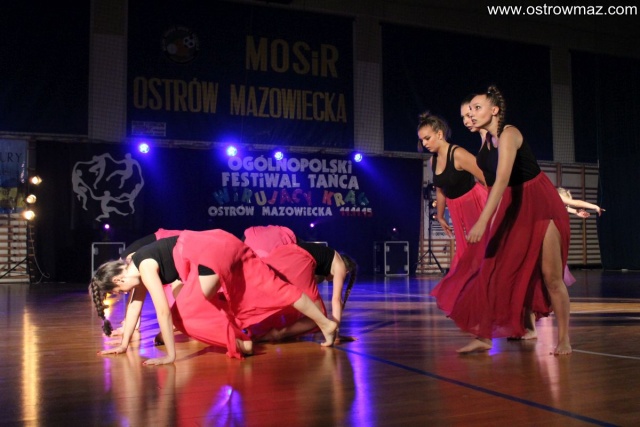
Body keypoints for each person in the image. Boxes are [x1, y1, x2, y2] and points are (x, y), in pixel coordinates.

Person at [435, 85, 572, 355]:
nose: (471, 115)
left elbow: (502, 179)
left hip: (540, 204)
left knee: (551, 277)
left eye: (476, 108)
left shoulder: (510, 134)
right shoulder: (485, 143)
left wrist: (482, 221)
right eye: (468, 111)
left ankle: (564, 339)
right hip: (515, 205)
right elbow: (489, 181)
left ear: (495, 110)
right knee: (493, 268)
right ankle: (484, 336)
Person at [90, 230, 337, 365]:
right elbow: (135, 305)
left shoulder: (144, 267)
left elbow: (163, 311)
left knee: (183, 315)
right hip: (226, 242)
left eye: (120, 291)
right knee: (276, 287)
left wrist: (171, 356)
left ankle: (240, 342)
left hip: (210, 254)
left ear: (119, 280)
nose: (125, 294)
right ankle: (326, 324)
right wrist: (123, 345)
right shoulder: (137, 262)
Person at [417, 111, 487, 274]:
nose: (424, 143)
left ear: (439, 134)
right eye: (421, 140)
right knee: (465, 251)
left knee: (480, 247)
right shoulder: (433, 161)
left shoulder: (458, 154)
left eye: (427, 138)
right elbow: (440, 189)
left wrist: (496, 204)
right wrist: (440, 216)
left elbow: (486, 178)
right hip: (455, 206)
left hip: (473, 202)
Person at [296, 241, 357, 333]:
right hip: (297, 255)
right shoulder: (340, 265)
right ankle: (280, 333)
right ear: (346, 271)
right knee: (319, 314)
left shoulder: (325, 261)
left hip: (290, 251)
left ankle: (281, 333)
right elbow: (336, 299)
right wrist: (335, 332)